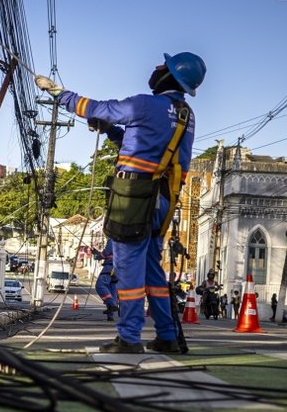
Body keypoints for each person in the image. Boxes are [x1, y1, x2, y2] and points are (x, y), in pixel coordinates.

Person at [35, 51, 206, 354]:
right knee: (153, 270)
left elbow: (96, 107)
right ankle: (166, 336)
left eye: (162, 66)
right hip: (162, 203)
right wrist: (112, 131)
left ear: (170, 75)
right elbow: (145, 147)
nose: (156, 68)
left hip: (134, 200)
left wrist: (57, 92)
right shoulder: (186, 116)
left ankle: (129, 338)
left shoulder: (144, 104)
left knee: (127, 272)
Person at [92, 240, 118, 322]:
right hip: (120, 268)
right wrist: (97, 253)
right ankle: (110, 315)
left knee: (100, 285)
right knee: (111, 289)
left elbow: (106, 253)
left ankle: (112, 304)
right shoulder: (124, 238)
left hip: (111, 266)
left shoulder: (113, 238)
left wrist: (97, 255)